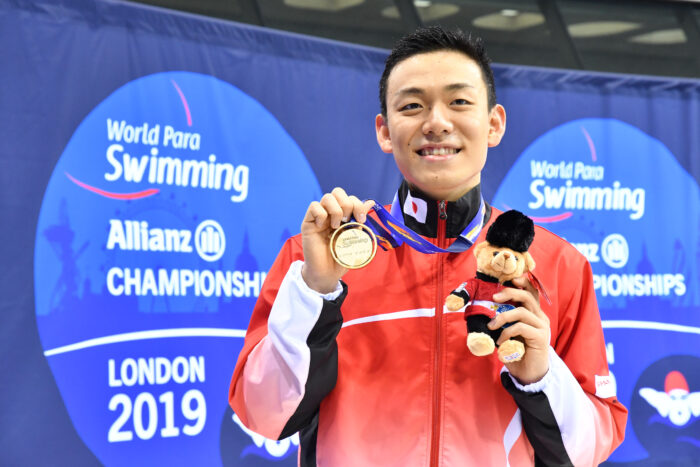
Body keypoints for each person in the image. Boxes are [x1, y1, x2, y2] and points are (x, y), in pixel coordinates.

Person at [229, 26, 627, 466]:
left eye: (459, 102)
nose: (436, 122)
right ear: (384, 131)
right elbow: (263, 416)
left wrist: (540, 376)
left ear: (493, 124)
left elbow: (591, 448)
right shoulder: (320, 257)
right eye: (412, 105)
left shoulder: (556, 264)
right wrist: (316, 291)